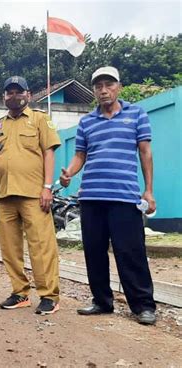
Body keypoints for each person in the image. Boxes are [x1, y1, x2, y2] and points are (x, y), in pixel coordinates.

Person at [60, 66, 156, 325]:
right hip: (91, 197)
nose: (104, 90)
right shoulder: (87, 122)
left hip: (125, 197)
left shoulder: (137, 114)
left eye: (109, 84)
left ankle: (143, 305)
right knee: (94, 251)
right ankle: (102, 301)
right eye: (99, 86)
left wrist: (148, 190)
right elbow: (80, 155)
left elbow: (145, 152)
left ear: (118, 87)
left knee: (130, 251)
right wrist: (68, 172)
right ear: (94, 91)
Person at [0, 76, 61, 315]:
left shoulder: (40, 120)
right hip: (5, 195)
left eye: (18, 92)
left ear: (28, 94)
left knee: (41, 245)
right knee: (9, 248)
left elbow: (49, 154)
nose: (13, 96)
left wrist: (47, 187)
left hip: (34, 195)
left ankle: (49, 296)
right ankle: (20, 293)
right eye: (9, 92)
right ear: (3, 97)